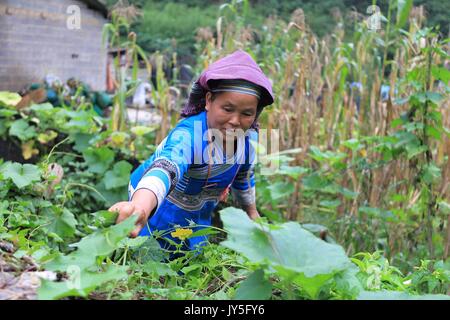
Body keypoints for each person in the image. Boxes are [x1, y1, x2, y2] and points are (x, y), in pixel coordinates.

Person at [108, 50, 274, 255]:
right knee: (151, 260)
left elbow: (243, 176)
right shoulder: (189, 135)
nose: (235, 120)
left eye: (247, 113)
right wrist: (141, 206)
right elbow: (167, 166)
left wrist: (252, 213)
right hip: (159, 206)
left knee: (192, 263)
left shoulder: (249, 139)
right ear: (209, 100)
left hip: (199, 212)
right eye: (227, 109)